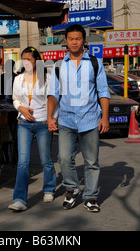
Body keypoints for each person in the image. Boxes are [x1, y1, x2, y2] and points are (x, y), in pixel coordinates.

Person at [47, 24, 110, 213]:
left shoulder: (94, 63)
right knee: (64, 158)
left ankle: (90, 196)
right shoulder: (58, 65)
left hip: (90, 119)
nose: (74, 42)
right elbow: (53, 93)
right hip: (66, 119)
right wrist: (50, 117)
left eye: (78, 38)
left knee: (91, 161)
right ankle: (72, 189)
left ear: (84, 41)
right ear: (66, 41)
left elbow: (103, 92)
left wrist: (105, 117)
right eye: (71, 39)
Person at [8, 47, 57, 211]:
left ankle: (49, 188)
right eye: (24, 60)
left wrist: (52, 119)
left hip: (43, 122)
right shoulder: (18, 79)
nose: (26, 63)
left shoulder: (48, 78)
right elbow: (15, 99)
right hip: (24, 124)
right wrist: (21, 109)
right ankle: (20, 199)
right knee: (23, 162)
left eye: (29, 59)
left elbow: (53, 100)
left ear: (37, 60)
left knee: (46, 160)